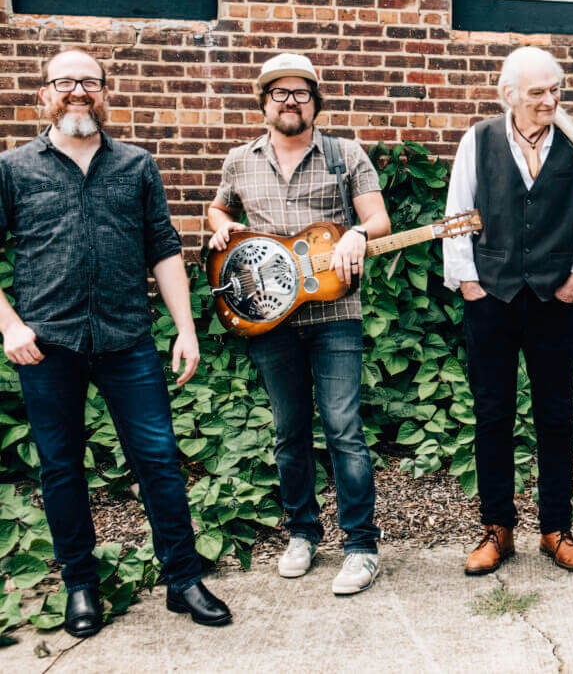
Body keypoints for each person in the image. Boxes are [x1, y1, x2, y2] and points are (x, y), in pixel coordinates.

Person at [0, 50, 230, 636]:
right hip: (47, 344)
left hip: (127, 339)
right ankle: (81, 585)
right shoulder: (14, 167)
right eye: (66, 82)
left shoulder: (136, 165)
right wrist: (9, 325)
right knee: (60, 467)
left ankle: (183, 579)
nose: (79, 91)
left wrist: (184, 328)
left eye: (90, 83)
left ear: (105, 92)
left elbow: (164, 249)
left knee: (157, 460)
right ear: (45, 93)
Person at [207, 53, 390, 595]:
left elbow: (377, 217)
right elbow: (216, 211)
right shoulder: (240, 160)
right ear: (264, 102)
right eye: (279, 94)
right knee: (289, 433)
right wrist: (222, 227)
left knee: (344, 431)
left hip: (336, 317)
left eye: (301, 93)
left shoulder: (344, 154)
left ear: (315, 100)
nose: (290, 102)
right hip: (269, 320)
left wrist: (359, 234)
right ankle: (302, 534)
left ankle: (360, 546)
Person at [443, 46, 573, 576]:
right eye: (537, 92)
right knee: (493, 415)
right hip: (491, 297)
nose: (549, 100)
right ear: (509, 94)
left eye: (555, 89)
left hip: (553, 300)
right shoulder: (479, 139)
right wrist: (467, 281)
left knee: (555, 416)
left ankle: (556, 528)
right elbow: (457, 213)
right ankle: (497, 528)